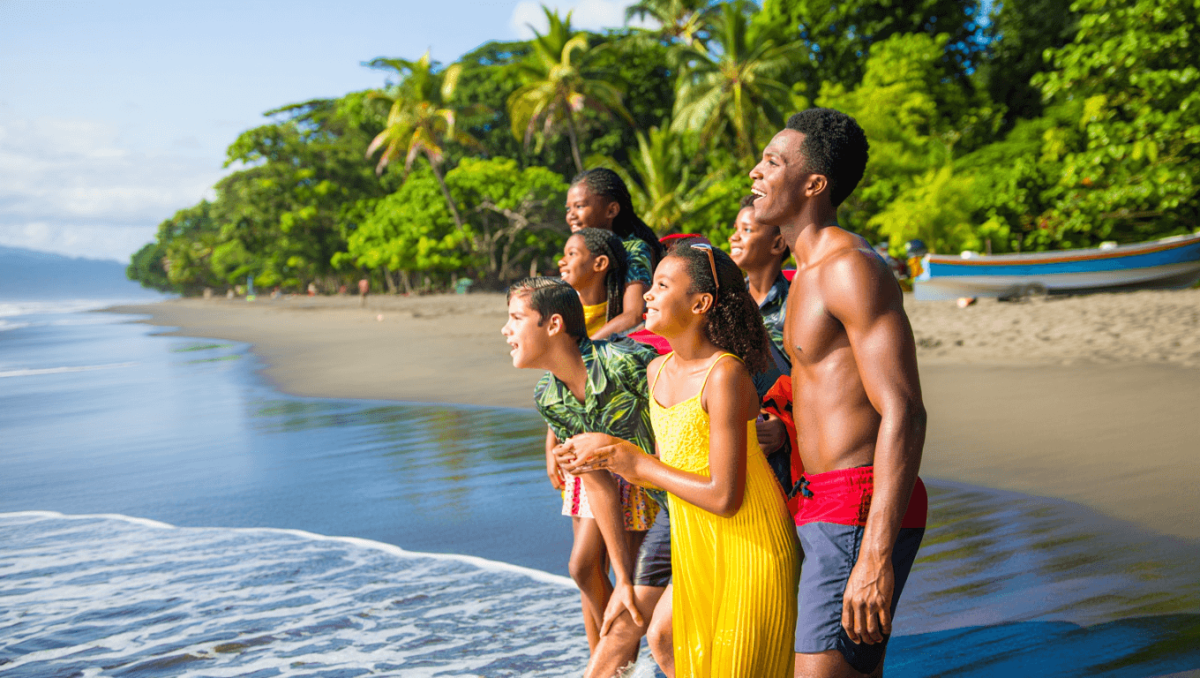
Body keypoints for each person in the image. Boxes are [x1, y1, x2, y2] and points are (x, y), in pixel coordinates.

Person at [559, 243, 799, 678]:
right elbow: (675, 457)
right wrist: (601, 449)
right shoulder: (657, 370)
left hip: (750, 544)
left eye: (662, 285)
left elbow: (725, 496)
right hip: (694, 543)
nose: (647, 295)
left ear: (701, 303)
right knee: (670, 642)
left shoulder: (725, 374)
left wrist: (637, 464)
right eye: (650, 284)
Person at [749, 108, 928, 678]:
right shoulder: (806, 275)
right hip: (819, 501)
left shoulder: (850, 269)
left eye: (773, 161)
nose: (755, 171)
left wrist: (875, 556)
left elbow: (904, 410)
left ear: (813, 184)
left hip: (856, 503)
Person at [500, 277, 662, 662]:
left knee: (647, 596)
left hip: (677, 489)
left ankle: (617, 661)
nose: (505, 330)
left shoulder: (624, 362)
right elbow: (599, 485)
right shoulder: (549, 396)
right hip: (631, 485)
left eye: (516, 318)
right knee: (592, 569)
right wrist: (620, 577)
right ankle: (617, 662)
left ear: (553, 325)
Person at [566, 168, 665, 339]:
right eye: (568, 209)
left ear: (611, 210)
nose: (571, 216)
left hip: (614, 350)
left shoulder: (633, 250)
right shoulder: (576, 252)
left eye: (579, 206)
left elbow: (633, 315)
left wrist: (585, 349)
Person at [558, 228, 630, 338]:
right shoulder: (558, 315)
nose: (561, 261)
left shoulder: (623, 314)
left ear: (600, 263)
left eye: (571, 254)